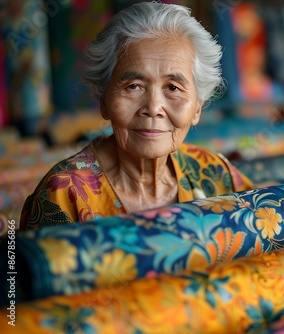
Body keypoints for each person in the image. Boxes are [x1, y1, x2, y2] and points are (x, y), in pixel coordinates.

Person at [20, 2, 254, 230]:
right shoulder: (63, 194)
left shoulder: (214, 173)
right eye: (133, 86)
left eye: (173, 88)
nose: (153, 107)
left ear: (197, 109)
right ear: (104, 100)